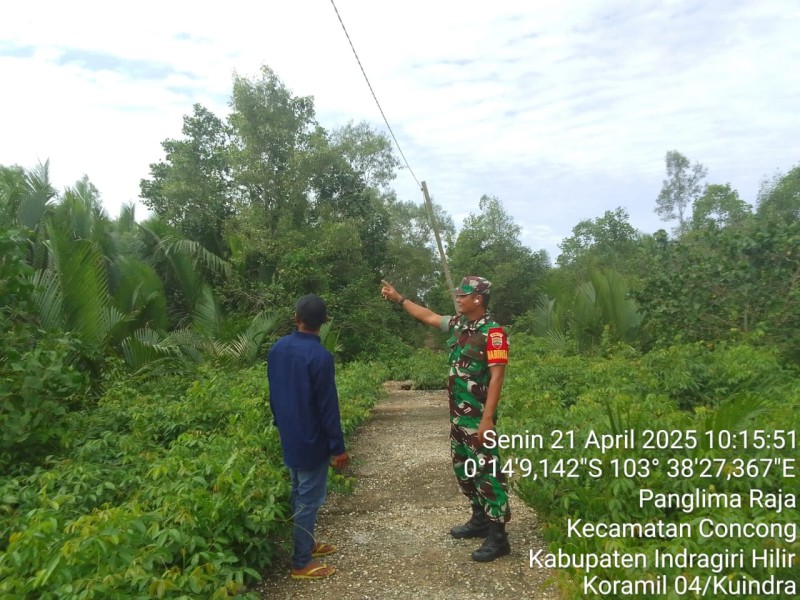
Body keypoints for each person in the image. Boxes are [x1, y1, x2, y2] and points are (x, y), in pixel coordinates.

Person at [380, 276, 511, 562]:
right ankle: (479, 519)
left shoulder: (494, 334)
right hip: (458, 418)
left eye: (463, 295)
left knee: (487, 473)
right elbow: (427, 316)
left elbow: (497, 377)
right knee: (464, 470)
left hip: (478, 420)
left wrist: (487, 419)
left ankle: (499, 537)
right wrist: (400, 298)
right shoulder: (458, 325)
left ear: (478, 299)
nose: (459, 299)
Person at [267, 294, 349, 580]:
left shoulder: (278, 348)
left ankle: (307, 543)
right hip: (312, 440)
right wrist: (338, 448)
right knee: (308, 499)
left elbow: (274, 392)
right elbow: (328, 407)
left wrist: (280, 423)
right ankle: (301, 562)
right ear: (324, 322)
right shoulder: (321, 357)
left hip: (289, 433)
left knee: (297, 492)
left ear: (296, 318)